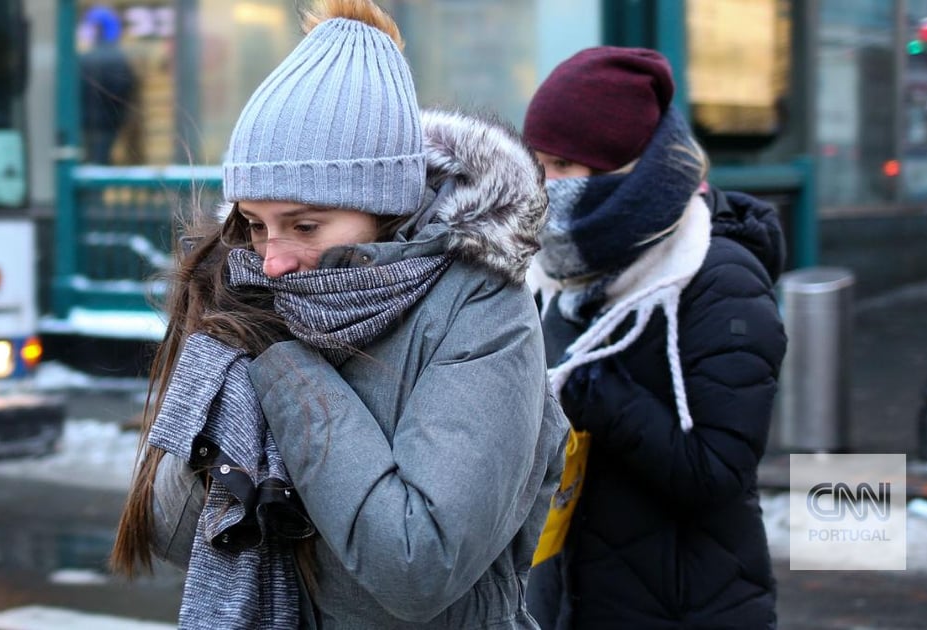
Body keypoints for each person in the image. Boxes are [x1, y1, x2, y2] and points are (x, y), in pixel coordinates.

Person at [110, 1, 567, 627]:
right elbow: (175, 536)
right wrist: (223, 370)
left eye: (303, 225)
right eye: (254, 224)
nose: (272, 260)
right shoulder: (260, 292)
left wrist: (285, 369)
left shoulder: (481, 307)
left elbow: (416, 565)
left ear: (385, 204)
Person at [521, 46, 787, 629]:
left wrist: (592, 394)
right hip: (575, 599)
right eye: (536, 162)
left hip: (687, 606)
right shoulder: (558, 273)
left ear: (626, 168)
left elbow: (717, 470)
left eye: (562, 164)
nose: (544, 184)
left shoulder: (719, 280)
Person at [79, 6, 136, 164]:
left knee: (91, 165)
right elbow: (124, 93)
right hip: (107, 126)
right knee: (98, 163)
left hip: (88, 126)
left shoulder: (86, 59)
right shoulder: (118, 59)